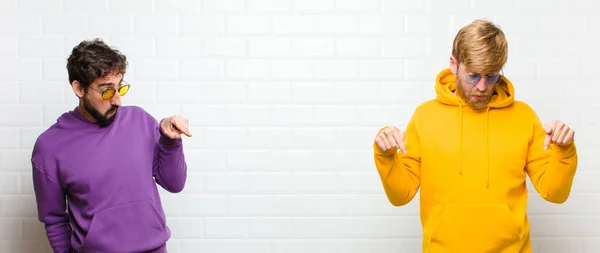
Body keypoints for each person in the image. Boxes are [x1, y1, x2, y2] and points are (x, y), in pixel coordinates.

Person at [373, 19, 577, 253]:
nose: (482, 87)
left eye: (491, 77)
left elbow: (555, 193)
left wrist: (564, 151)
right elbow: (401, 195)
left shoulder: (524, 117)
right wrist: (386, 156)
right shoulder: (424, 117)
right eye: (473, 76)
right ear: (453, 64)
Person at [31, 38, 192, 253]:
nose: (117, 100)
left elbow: (175, 184)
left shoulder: (140, 121)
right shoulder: (50, 146)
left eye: (120, 88)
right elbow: (54, 220)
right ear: (79, 88)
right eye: (106, 91)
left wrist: (169, 140)